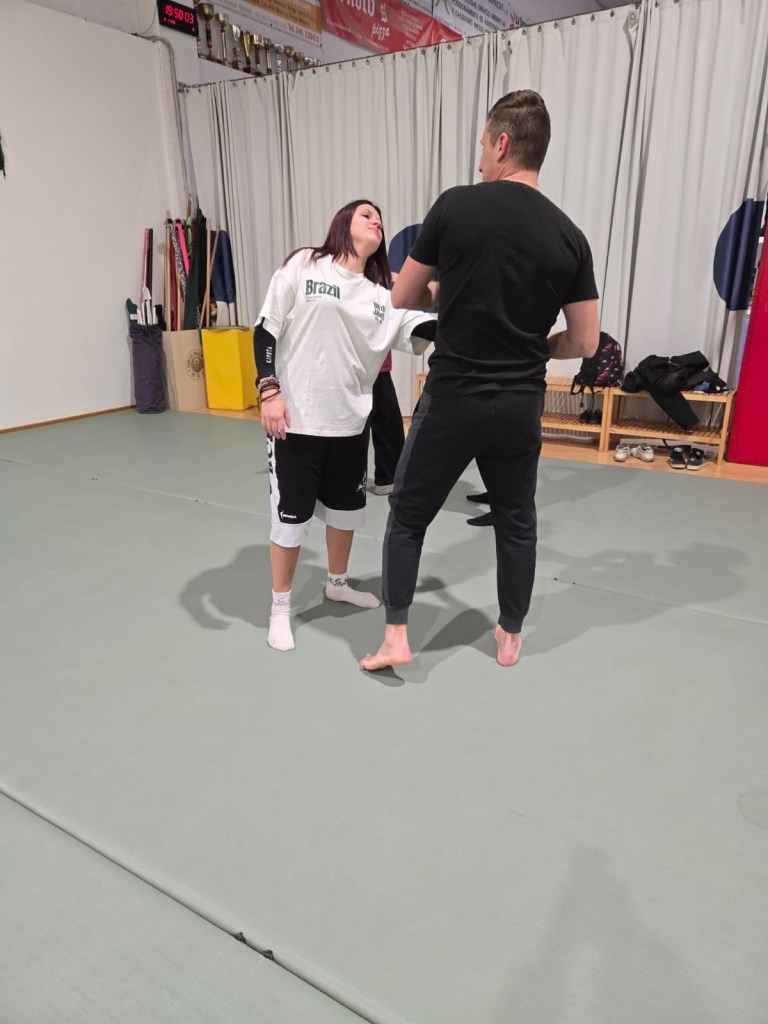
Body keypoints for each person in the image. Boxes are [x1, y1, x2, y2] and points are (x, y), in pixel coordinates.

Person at [360, 90, 599, 671]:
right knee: (517, 521)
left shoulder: (455, 205)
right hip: (519, 404)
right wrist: (536, 347)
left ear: (502, 143)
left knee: (408, 515)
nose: (479, 160)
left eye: (483, 146)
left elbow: (402, 296)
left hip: (454, 397)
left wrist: (446, 291)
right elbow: (585, 343)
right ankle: (510, 635)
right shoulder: (570, 236)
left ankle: (396, 638)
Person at [254, 200, 437, 652]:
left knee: (345, 514)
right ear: (343, 223)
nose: (376, 221)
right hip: (296, 421)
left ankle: (337, 584)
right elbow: (266, 328)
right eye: (365, 214)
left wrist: (465, 304)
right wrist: (269, 389)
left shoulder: (383, 295)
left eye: (379, 218)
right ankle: (280, 608)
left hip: (351, 425)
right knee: (290, 521)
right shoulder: (306, 263)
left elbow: (424, 331)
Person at [369, 354, 405, 496]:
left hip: (377, 366)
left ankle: (388, 478)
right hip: (348, 364)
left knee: (388, 423)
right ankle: (388, 478)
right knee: (387, 423)